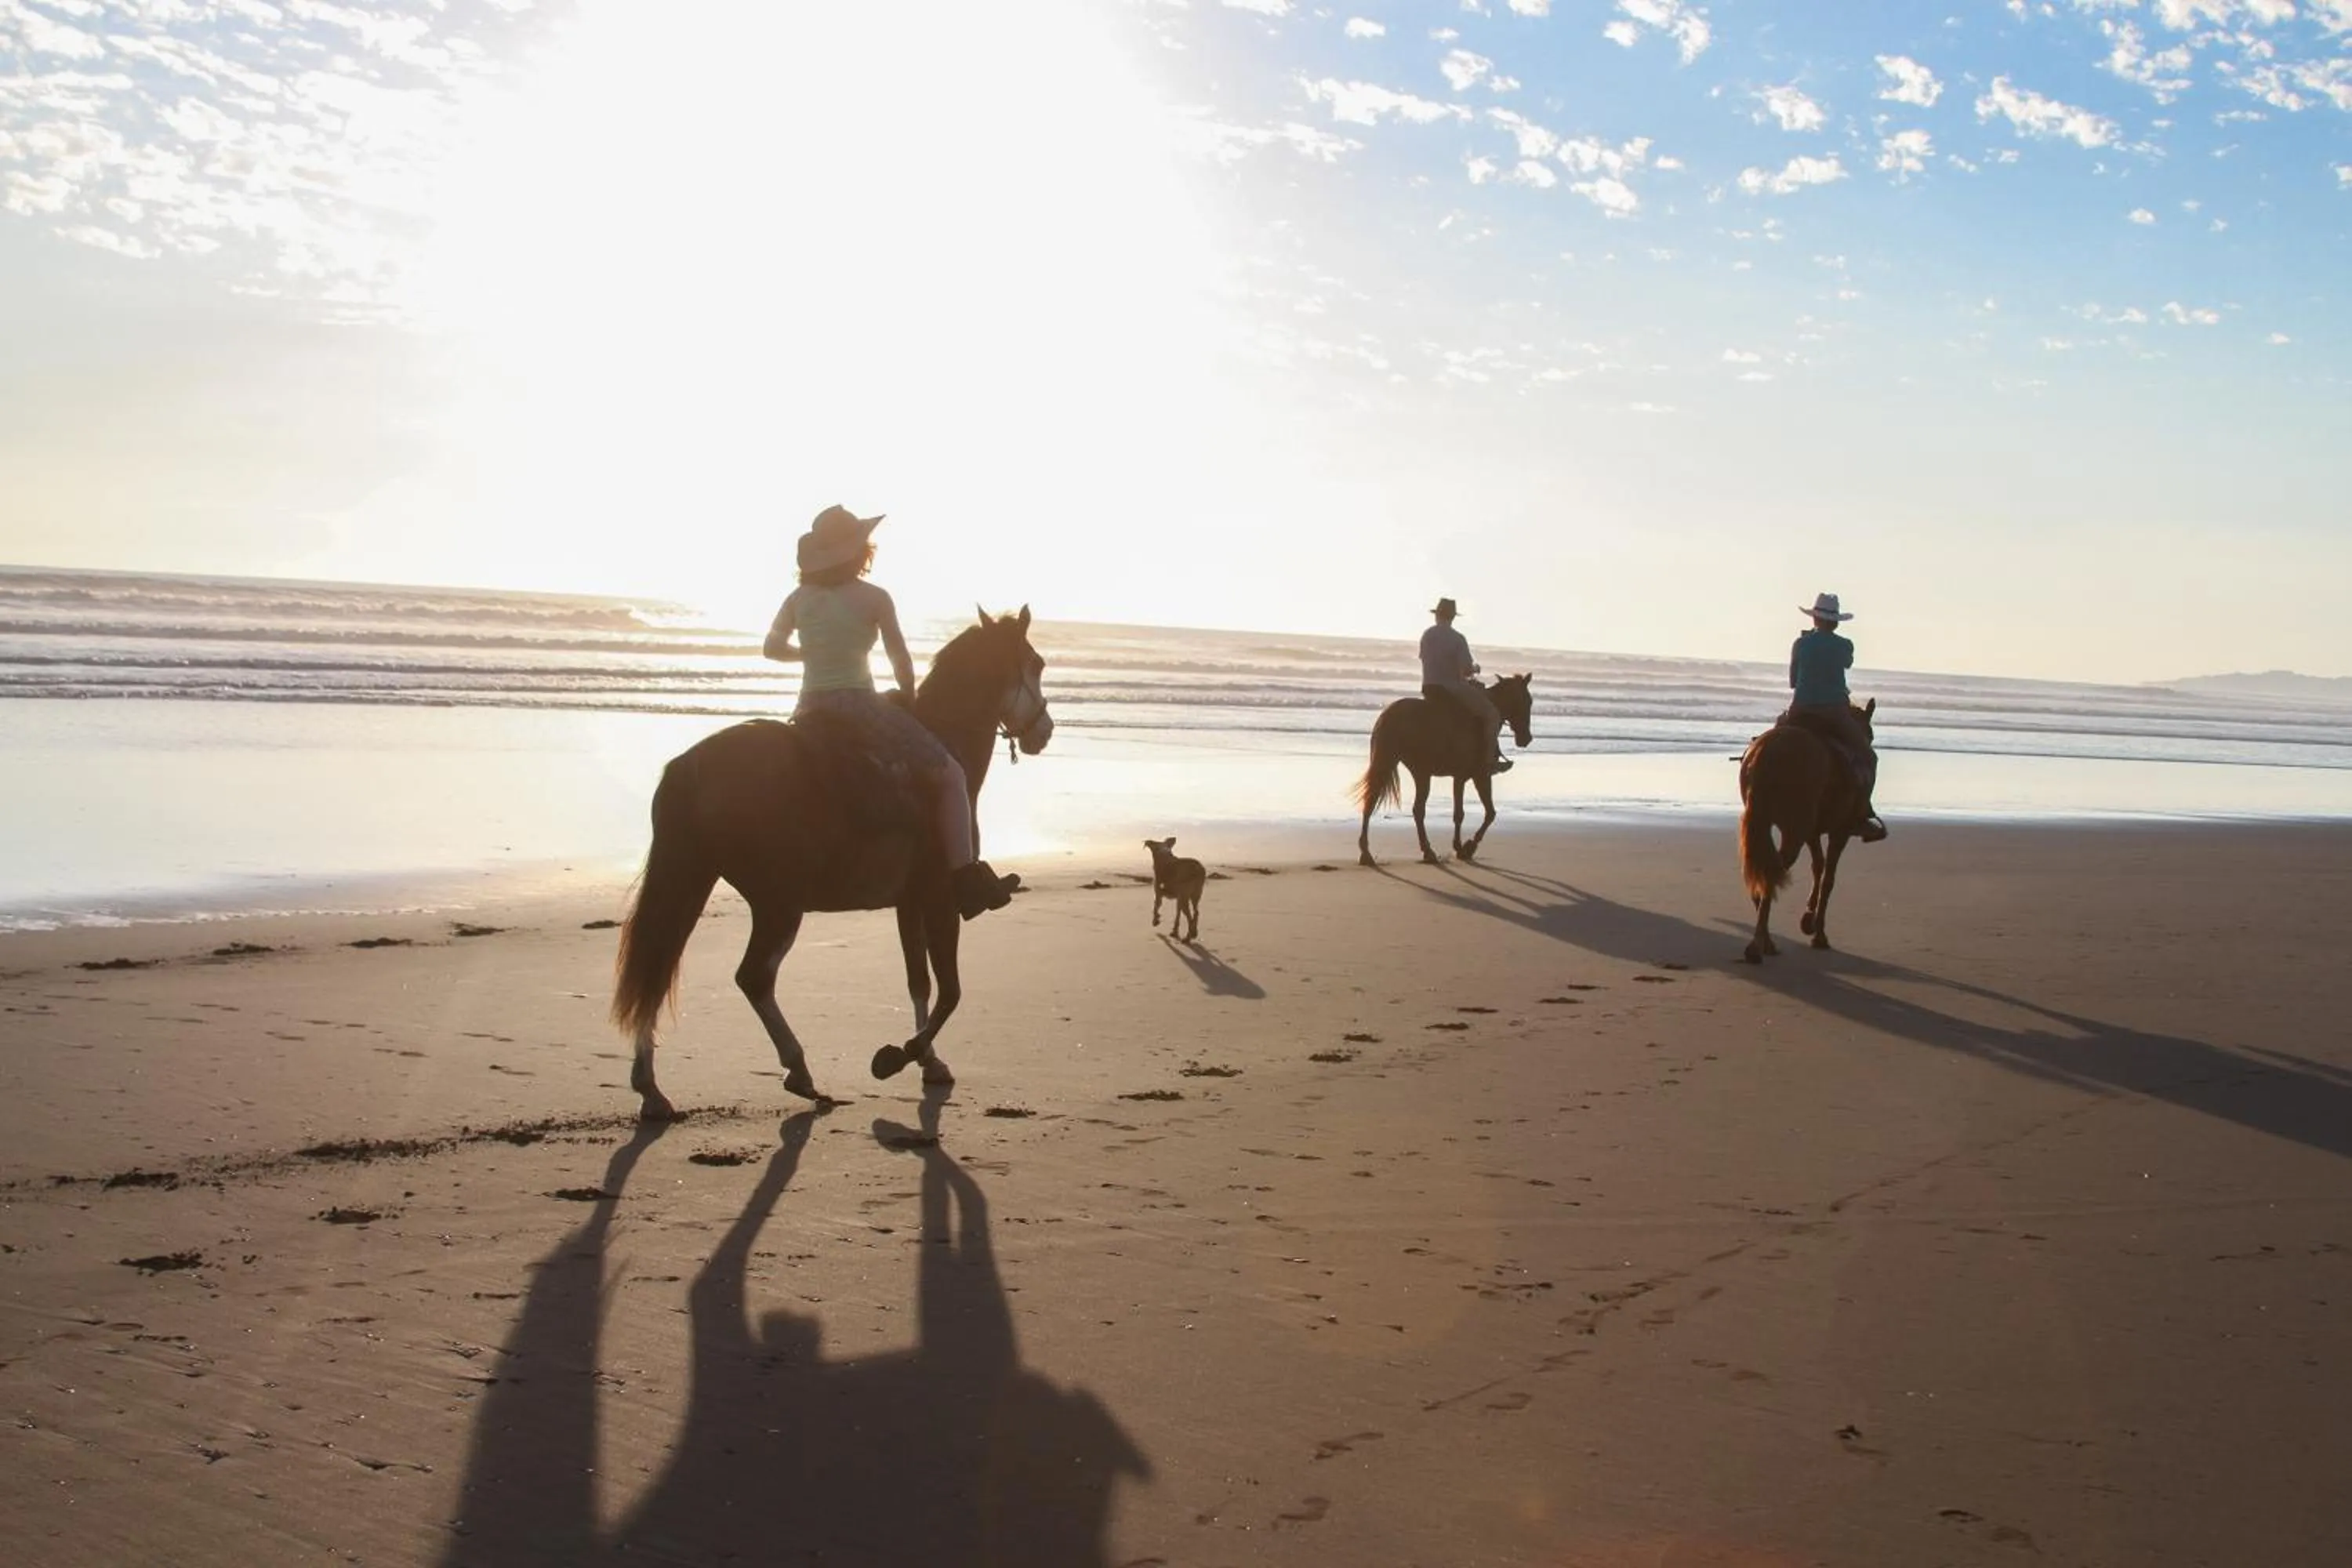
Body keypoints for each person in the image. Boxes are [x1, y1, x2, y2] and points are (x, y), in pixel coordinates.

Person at [763, 505, 1021, 917]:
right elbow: (900, 658)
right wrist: (909, 699)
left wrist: (809, 653)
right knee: (952, 776)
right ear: (859, 552)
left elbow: (771, 648)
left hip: (808, 708)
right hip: (861, 706)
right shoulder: (875, 598)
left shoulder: (798, 599)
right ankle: (965, 879)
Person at [1788, 591, 1886, 843]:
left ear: (1814, 618)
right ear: (1836, 623)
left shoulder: (1801, 644)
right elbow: (1846, 663)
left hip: (1799, 710)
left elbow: (1793, 682)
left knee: (1767, 740)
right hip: (1833, 712)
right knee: (1869, 757)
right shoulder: (1844, 645)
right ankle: (1862, 814)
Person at [1419, 597, 1511, 774]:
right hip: (1452, 688)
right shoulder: (1457, 638)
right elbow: (1467, 670)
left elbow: (1425, 660)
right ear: (1452, 617)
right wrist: (1475, 668)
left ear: (1437, 615)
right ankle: (1489, 762)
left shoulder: (1427, 635)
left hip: (1429, 687)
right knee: (1492, 715)